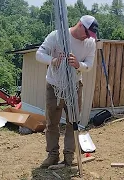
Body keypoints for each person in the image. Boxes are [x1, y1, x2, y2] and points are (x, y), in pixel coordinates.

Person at [35, 15, 98, 168]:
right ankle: (52, 155)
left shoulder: (90, 43)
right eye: (87, 34)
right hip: (54, 85)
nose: (88, 38)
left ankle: (69, 156)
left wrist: (78, 64)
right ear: (81, 26)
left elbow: (89, 64)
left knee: (73, 121)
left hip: (75, 86)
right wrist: (52, 60)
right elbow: (39, 54)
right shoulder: (57, 35)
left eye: (91, 36)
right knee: (52, 123)